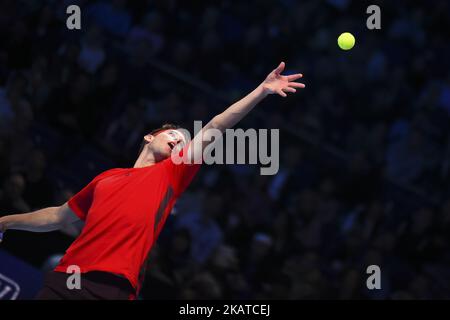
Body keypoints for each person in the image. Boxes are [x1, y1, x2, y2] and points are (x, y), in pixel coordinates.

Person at [0, 62, 305, 300]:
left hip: (111, 286)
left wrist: (261, 90)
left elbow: (217, 124)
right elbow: (58, 215)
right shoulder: (108, 177)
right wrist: (6, 221)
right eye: (173, 134)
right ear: (150, 136)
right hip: (65, 277)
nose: (180, 140)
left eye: (185, 140)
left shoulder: (172, 173)